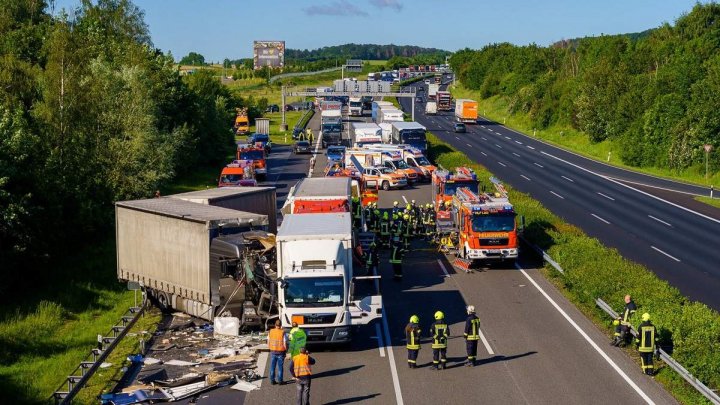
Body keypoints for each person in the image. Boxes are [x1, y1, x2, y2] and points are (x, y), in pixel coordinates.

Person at [268, 320, 289, 385]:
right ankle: (280, 381)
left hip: (273, 351)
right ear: (281, 325)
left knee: (272, 366)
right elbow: (285, 343)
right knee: (280, 367)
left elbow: (268, 341)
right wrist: (286, 350)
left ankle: (272, 380)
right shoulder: (282, 332)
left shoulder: (271, 331)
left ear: (275, 325)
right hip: (281, 352)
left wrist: (270, 347)